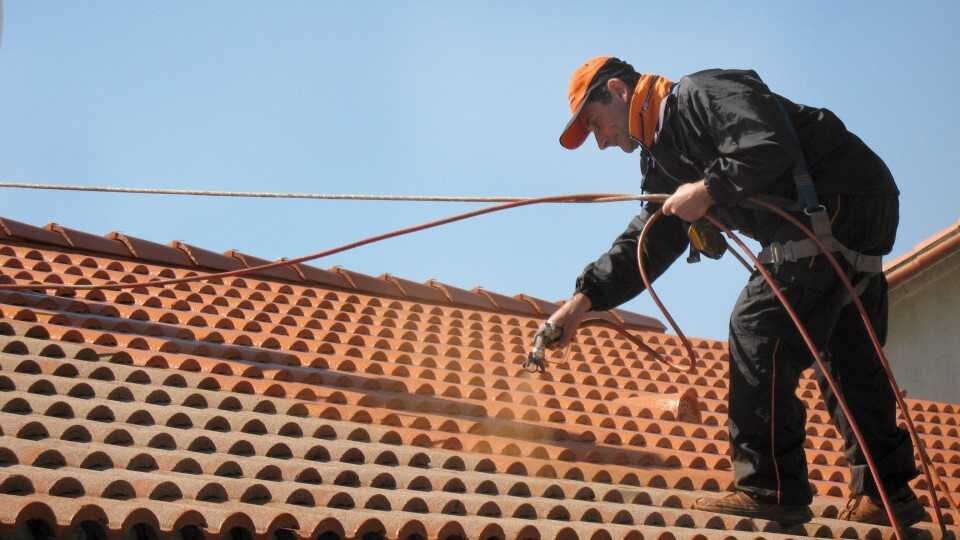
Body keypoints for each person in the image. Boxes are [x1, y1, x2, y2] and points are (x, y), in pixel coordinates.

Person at [545, 56, 924, 526]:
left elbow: (765, 145)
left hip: (838, 202)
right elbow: (651, 236)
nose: (599, 142)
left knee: (757, 326)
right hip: (851, 215)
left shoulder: (703, 94)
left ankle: (771, 489)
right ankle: (888, 493)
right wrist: (582, 303)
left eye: (595, 125)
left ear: (619, 91)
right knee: (843, 353)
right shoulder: (662, 156)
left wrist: (708, 188)